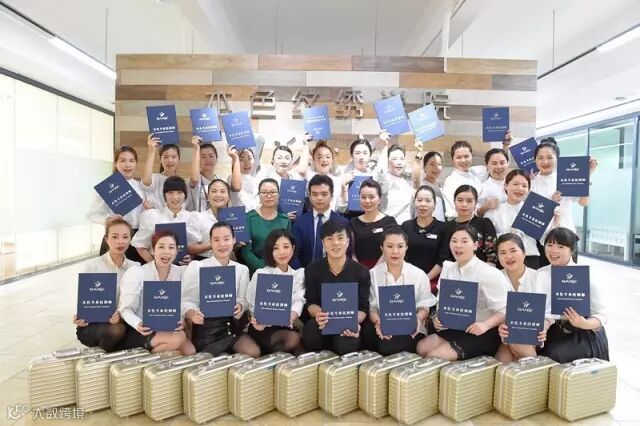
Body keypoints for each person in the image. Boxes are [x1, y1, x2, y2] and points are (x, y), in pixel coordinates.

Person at [417, 224, 510, 361]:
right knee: (421, 348)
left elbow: (505, 310)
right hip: (453, 328)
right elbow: (441, 301)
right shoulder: (448, 268)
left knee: (435, 357)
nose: (458, 246)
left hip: (481, 331)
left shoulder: (489, 273)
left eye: (464, 241)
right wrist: (438, 317)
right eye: (454, 241)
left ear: (475, 245)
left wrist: (485, 325)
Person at [181, 222, 259, 357]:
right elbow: (186, 300)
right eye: (216, 240)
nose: (222, 244)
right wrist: (192, 313)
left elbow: (244, 299)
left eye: (226, 239)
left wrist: (241, 305)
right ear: (210, 242)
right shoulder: (197, 267)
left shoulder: (241, 269)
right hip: (207, 330)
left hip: (231, 327)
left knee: (253, 352)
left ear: (234, 240)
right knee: (221, 360)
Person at [536, 227, 609, 363]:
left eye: (561, 246)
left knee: (558, 358)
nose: (554, 250)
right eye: (550, 245)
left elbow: (601, 315)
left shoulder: (584, 276)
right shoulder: (540, 274)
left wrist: (584, 323)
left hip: (582, 334)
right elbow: (539, 309)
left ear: (572, 250)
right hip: (549, 332)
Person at [118, 229, 195, 354]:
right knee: (178, 339)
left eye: (171, 247)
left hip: (169, 329)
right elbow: (124, 309)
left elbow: (185, 303)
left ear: (177, 251)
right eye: (161, 247)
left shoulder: (182, 272)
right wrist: (138, 324)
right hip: (142, 330)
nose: (166, 252)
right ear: (153, 250)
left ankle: (148, 358)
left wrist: (181, 321)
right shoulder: (138, 273)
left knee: (190, 352)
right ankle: (142, 359)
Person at [302, 221, 371, 355]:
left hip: (347, 324)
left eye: (340, 238)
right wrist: (319, 314)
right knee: (311, 332)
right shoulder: (312, 269)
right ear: (323, 243)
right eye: (330, 239)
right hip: (323, 323)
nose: (336, 243)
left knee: (346, 346)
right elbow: (311, 302)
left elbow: (363, 308)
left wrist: (352, 322)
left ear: (348, 241)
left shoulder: (361, 271)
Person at [365, 227, 436, 355]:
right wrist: (377, 322)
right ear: (382, 248)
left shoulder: (419, 275)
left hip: (410, 328)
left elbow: (425, 308)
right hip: (382, 323)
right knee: (366, 337)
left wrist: (418, 318)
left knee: (388, 347)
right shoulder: (373, 274)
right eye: (389, 246)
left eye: (400, 246)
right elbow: (372, 309)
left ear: (406, 247)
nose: (395, 251)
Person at [74, 219, 140, 352]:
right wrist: (79, 315)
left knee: (140, 334)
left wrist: (121, 315)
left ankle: (104, 354)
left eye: (125, 237)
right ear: (106, 239)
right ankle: (103, 358)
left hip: (124, 321)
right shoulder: (92, 266)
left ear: (130, 240)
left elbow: (137, 302)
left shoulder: (135, 267)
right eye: (115, 237)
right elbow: (84, 299)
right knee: (117, 330)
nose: (120, 241)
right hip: (94, 324)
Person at [530, 138, 597, 265]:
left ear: (557, 159)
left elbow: (583, 202)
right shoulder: (531, 183)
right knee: (544, 275)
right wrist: (551, 202)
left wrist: (586, 177)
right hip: (542, 240)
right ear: (535, 160)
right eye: (540, 158)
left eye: (549, 157)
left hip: (566, 238)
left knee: (566, 276)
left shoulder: (565, 178)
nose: (545, 161)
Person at [246, 229, 305, 355]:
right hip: (262, 327)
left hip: (285, 324)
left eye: (286, 247)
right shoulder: (261, 274)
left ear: (293, 248)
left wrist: (291, 317)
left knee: (298, 348)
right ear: (270, 251)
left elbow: (298, 301)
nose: (282, 252)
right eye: (276, 248)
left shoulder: (298, 275)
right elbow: (250, 303)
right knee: (293, 340)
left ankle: (272, 359)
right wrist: (255, 318)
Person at [494, 233, 551, 362]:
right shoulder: (495, 278)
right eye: (503, 253)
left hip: (531, 332)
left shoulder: (538, 278)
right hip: (500, 332)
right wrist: (500, 325)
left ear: (524, 253)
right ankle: (536, 369)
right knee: (505, 358)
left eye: (513, 250)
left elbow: (548, 312)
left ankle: (535, 369)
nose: (509, 256)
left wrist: (544, 327)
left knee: (509, 354)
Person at [87, 145, 149, 263]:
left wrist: (148, 209)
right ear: (115, 163)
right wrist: (107, 219)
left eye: (131, 161)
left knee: (135, 273)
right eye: (122, 160)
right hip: (115, 236)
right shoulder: (107, 187)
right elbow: (91, 214)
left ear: (136, 163)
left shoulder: (142, 188)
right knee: (111, 273)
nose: (128, 165)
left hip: (137, 240)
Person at [131, 176, 199, 264]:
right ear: (164, 195)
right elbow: (140, 246)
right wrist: (154, 265)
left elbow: (193, 246)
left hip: (182, 268)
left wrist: (190, 257)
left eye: (179, 192)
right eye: (170, 193)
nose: (175, 197)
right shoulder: (152, 215)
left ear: (185, 195)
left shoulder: (192, 217)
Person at [485, 170, 542, 269]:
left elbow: (542, 237)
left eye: (524, 186)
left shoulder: (534, 210)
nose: (519, 188)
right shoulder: (494, 211)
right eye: (515, 184)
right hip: (505, 258)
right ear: (505, 186)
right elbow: (490, 240)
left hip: (530, 257)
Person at [291, 174, 350, 268]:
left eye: (324, 194)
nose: (319, 198)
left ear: (332, 196)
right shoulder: (300, 222)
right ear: (309, 196)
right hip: (305, 272)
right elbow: (293, 253)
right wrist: (301, 273)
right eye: (315, 194)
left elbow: (348, 254)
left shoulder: (343, 222)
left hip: (336, 273)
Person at [400, 186, 449, 294]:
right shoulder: (406, 226)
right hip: (407, 279)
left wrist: (425, 279)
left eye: (428, 200)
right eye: (419, 200)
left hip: (432, 281)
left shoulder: (443, 228)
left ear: (435, 204)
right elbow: (401, 255)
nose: (423, 204)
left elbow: (442, 259)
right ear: (414, 203)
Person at [241, 178, 291, 275]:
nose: (268, 196)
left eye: (272, 192)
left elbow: (288, 248)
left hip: (281, 271)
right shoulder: (248, 218)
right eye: (264, 192)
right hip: (256, 272)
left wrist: (279, 268)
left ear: (279, 194)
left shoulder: (285, 219)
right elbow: (246, 252)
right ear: (258, 195)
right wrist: (265, 270)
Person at [444, 185, 498, 265]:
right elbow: (443, 255)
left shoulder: (484, 224)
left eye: (469, 201)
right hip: (453, 270)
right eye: (460, 200)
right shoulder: (447, 226)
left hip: (481, 270)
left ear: (475, 204)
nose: (464, 204)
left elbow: (492, 255)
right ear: (454, 202)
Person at [350, 179, 398, 268]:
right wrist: (360, 269)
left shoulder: (389, 222)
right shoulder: (353, 222)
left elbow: (392, 249)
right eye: (363, 197)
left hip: (385, 268)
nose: (367, 201)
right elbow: (351, 251)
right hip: (359, 269)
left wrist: (375, 269)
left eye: (371, 197)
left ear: (379, 199)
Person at [188, 138, 241, 212]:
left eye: (211, 156)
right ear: (198, 160)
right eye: (203, 157)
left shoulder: (221, 180)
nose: (208, 160)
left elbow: (236, 188)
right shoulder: (196, 181)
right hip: (201, 218)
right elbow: (194, 179)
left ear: (216, 158)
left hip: (220, 218)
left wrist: (235, 158)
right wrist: (196, 148)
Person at [141, 134, 190, 209]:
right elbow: (146, 181)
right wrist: (151, 151)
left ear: (179, 159)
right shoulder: (155, 178)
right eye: (166, 157)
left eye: (174, 157)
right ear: (160, 159)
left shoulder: (184, 183)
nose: (170, 160)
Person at [188, 179, 230, 259]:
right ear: (208, 196)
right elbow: (190, 248)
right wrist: (214, 244)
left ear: (228, 197)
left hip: (229, 262)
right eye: (214, 191)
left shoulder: (235, 218)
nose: (218, 195)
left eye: (222, 191)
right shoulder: (198, 217)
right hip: (203, 262)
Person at [441, 141, 482, 219]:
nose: (463, 160)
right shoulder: (450, 181)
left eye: (466, 156)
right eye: (458, 157)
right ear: (452, 160)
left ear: (472, 156)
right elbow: (452, 212)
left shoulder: (475, 176)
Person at [377, 144, 415, 224]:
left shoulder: (408, 181)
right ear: (387, 161)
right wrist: (384, 144)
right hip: (387, 226)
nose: (399, 162)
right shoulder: (384, 180)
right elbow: (381, 170)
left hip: (407, 227)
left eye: (402, 159)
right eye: (394, 159)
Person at [302, 141, 342, 211]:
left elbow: (340, 207)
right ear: (313, 160)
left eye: (328, 157)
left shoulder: (337, 181)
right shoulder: (308, 178)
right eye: (319, 157)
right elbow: (301, 170)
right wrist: (306, 145)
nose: (324, 160)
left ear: (332, 160)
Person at [413, 151, 446, 221]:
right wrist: (418, 157)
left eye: (439, 164)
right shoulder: (421, 185)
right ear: (424, 167)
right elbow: (415, 177)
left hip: (440, 225)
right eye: (432, 164)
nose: (436, 167)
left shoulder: (441, 187)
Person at [477, 148, 510, 217]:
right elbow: (475, 214)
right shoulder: (482, 187)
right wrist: (485, 207)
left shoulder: (513, 183)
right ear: (487, 165)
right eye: (494, 163)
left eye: (502, 163)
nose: (499, 167)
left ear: (507, 164)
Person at [229, 148, 260, 212]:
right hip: (238, 216)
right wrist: (235, 157)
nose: (247, 163)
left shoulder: (257, 181)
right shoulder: (231, 178)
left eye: (249, 158)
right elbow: (236, 188)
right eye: (241, 159)